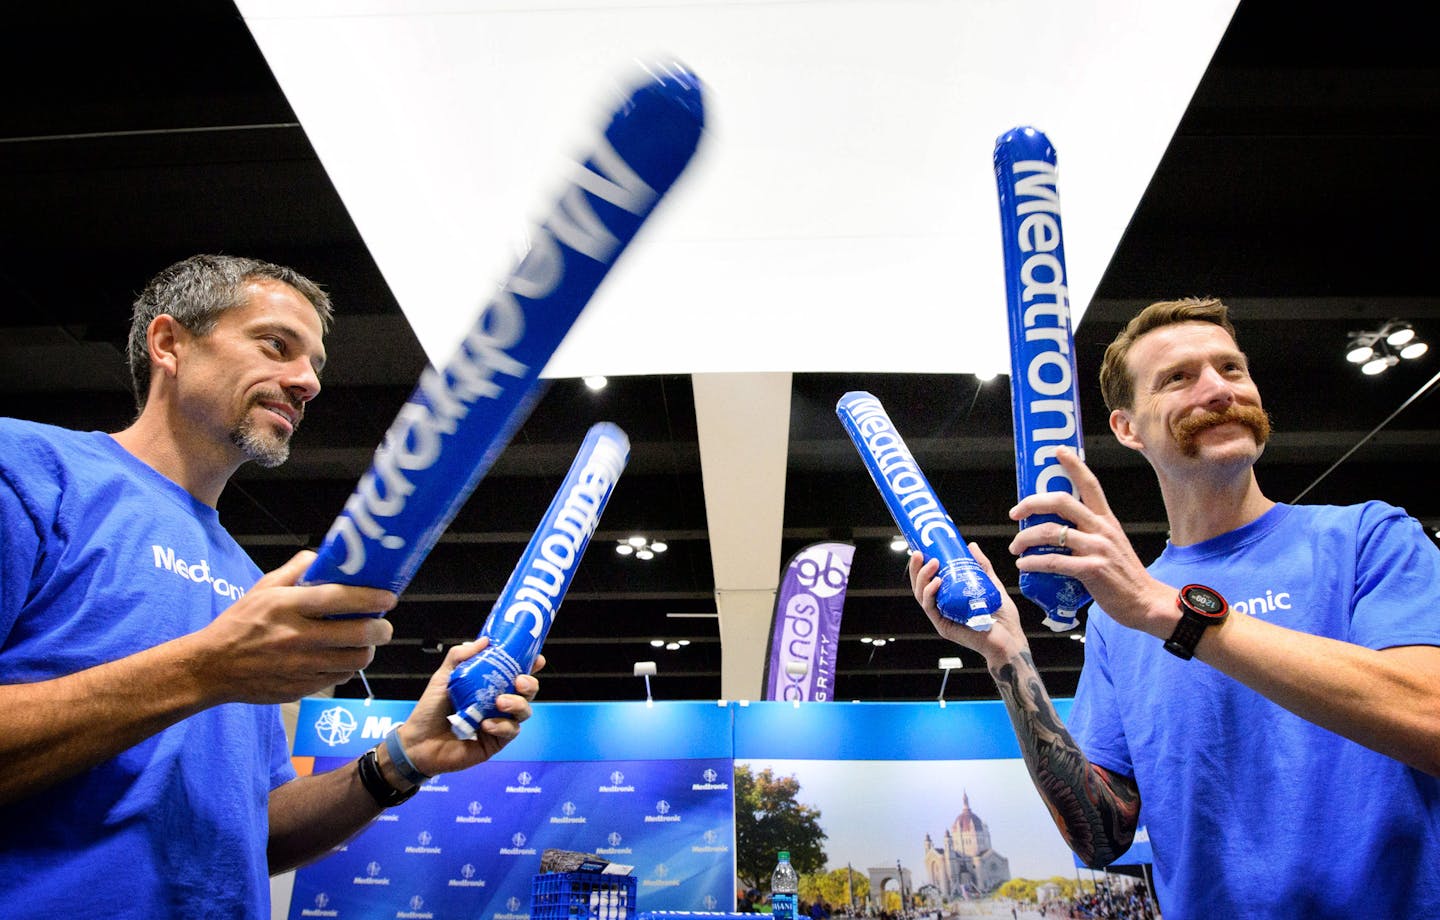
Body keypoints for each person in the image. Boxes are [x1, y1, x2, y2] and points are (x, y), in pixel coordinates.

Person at [0, 254, 541, 916]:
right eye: (277, 346)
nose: (307, 382)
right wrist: (206, 668)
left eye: (314, 364)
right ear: (169, 344)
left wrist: (403, 759)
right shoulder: (28, 474)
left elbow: (250, 832)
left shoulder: (245, 580)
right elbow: (198, 674)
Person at [908, 298, 1440, 918]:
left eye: (1232, 369)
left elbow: (1429, 718)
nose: (1217, 389)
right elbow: (1101, 836)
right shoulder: (1117, 617)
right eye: (1179, 378)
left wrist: (1168, 610)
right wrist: (1009, 657)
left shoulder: (1368, 539)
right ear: (1127, 428)